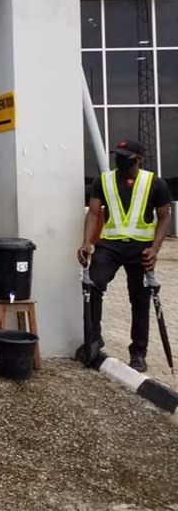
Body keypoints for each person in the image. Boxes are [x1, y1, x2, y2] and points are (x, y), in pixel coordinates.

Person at [77, 139, 172, 372]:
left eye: (124, 157)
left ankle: (138, 353)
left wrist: (155, 249)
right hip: (109, 246)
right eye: (117, 156)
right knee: (92, 285)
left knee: (139, 300)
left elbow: (164, 218)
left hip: (141, 249)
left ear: (138, 158)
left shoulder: (155, 184)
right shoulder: (104, 180)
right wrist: (87, 242)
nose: (119, 160)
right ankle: (94, 339)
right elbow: (93, 213)